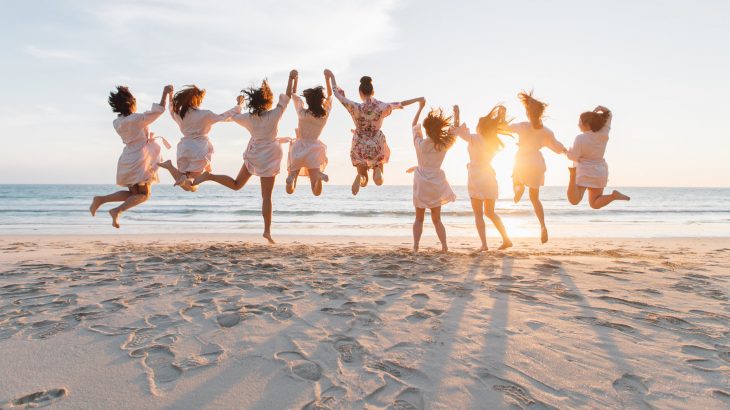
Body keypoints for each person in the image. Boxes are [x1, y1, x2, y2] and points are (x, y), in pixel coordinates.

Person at [193, 70, 298, 244]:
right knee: (266, 197)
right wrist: (292, 78)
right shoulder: (274, 115)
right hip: (270, 156)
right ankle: (267, 231)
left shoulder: (248, 118)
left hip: (255, 154)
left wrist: (239, 104)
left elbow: (233, 115)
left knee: (236, 185)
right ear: (267, 102)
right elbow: (287, 97)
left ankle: (209, 176)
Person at [324, 69, 423, 195]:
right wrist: (418, 100)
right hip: (377, 142)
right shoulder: (381, 106)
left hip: (359, 143)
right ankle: (377, 171)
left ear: (360, 92)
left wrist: (331, 76)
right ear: (373, 92)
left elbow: (338, 95)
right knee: (379, 181)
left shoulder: (355, 107)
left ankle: (361, 177)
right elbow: (401, 103)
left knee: (363, 179)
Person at [90, 84, 173, 228]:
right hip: (140, 158)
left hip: (128, 157)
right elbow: (158, 111)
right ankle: (117, 211)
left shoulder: (117, 122)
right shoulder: (135, 119)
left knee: (132, 195)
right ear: (131, 103)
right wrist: (165, 93)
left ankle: (101, 200)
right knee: (144, 195)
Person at [504, 91, 566, 243]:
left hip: (523, 160)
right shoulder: (546, 132)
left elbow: (505, 128)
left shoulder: (522, 126)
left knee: (516, 176)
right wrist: (566, 151)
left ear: (528, 113)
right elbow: (558, 149)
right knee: (534, 198)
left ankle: (518, 188)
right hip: (537, 163)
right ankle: (543, 226)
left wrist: (501, 116)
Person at [158, 85, 242, 192]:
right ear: (196, 99)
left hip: (184, 148)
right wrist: (239, 105)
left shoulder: (180, 114)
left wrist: (170, 95)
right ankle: (175, 170)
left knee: (189, 184)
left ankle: (178, 173)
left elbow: (171, 109)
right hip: (199, 148)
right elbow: (223, 116)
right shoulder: (204, 114)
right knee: (193, 184)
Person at [453, 104, 513, 251]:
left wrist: (457, 115)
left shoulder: (475, 138)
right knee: (490, 212)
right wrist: (501, 117)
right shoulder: (492, 142)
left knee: (478, 214)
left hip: (476, 178)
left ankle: (484, 245)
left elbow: (456, 131)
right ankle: (506, 239)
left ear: (480, 127)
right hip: (489, 177)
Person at [409, 98, 456, 253]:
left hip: (421, 180)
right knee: (437, 220)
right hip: (436, 182)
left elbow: (414, 126)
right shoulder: (443, 145)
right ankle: (444, 247)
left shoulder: (420, 145)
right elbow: (454, 132)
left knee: (419, 218)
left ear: (427, 130)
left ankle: (416, 247)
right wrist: (457, 115)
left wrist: (420, 108)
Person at [566, 105, 630, 208]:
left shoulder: (580, 138)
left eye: (580, 122)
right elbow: (609, 114)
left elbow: (573, 157)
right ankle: (613, 196)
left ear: (586, 124)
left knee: (574, 200)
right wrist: (601, 108)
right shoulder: (603, 133)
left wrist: (568, 152)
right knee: (594, 204)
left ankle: (572, 176)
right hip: (599, 172)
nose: (578, 124)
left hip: (584, 171)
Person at [284, 71, 333, 196]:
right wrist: (328, 79)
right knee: (316, 191)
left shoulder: (302, 113)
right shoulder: (324, 116)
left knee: (290, 187)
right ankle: (318, 177)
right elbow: (330, 97)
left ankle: (291, 179)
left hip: (299, 147)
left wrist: (294, 79)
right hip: (314, 149)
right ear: (320, 101)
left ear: (308, 101)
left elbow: (293, 95)